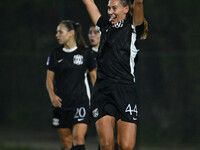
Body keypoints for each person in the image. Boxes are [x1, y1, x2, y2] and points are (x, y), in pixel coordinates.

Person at [82, 0, 148, 150]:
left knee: (126, 146)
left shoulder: (133, 27)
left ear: (126, 9)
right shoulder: (105, 26)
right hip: (103, 90)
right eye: (108, 8)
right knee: (106, 145)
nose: (110, 11)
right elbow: (89, 3)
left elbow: (138, 3)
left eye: (114, 8)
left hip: (125, 91)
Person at [46, 20, 97, 150]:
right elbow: (49, 80)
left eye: (60, 32)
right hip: (61, 105)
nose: (57, 35)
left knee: (78, 139)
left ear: (71, 33)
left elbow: (94, 78)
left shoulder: (86, 53)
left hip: (81, 103)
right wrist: (52, 96)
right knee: (67, 143)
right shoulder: (55, 54)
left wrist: (99, 100)